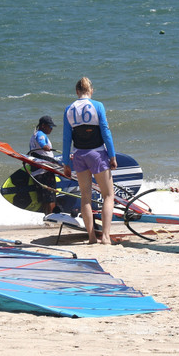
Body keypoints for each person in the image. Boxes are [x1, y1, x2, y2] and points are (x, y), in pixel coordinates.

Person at [62, 77, 117, 244]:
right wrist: (112, 155)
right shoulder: (97, 106)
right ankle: (105, 237)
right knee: (108, 195)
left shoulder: (69, 109)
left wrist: (65, 163)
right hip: (97, 154)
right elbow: (106, 132)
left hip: (79, 155)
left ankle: (92, 237)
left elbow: (66, 138)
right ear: (91, 91)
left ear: (77, 91)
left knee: (85, 197)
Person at [28, 115, 59, 214]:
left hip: (37, 171)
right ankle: (51, 219)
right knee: (51, 197)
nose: (51, 129)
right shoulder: (40, 134)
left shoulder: (34, 135)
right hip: (44, 171)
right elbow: (41, 141)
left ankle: (47, 218)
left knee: (45, 199)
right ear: (43, 125)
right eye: (50, 126)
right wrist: (44, 146)